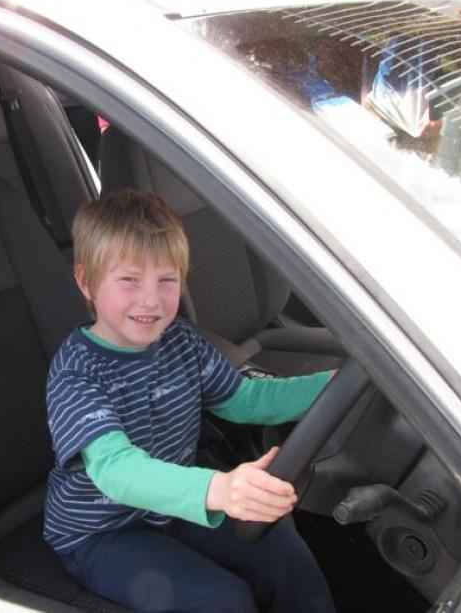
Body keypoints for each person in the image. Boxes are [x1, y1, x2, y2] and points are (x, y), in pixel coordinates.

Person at [44, 189, 337, 612]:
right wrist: (218, 488)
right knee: (220, 601)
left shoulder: (180, 342)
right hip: (104, 531)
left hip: (174, 505)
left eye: (167, 280)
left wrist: (333, 385)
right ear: (86, 281)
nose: (151, 299)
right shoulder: (77, 371)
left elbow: (245, 400)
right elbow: (116, 470)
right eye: (129, 280)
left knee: (282, 549)